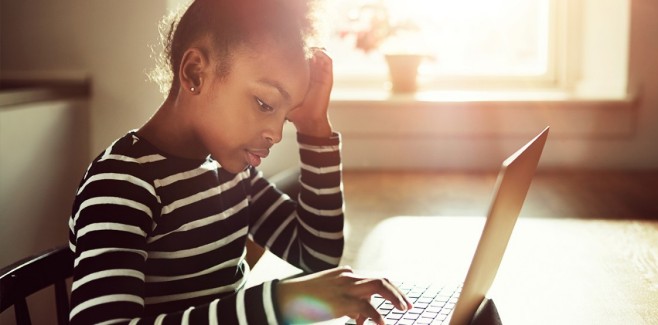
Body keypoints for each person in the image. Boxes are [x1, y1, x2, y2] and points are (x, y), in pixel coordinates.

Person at [67, 0, 411, 324]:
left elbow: (316, 254)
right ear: (195, 73)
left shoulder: (230, 174)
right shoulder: (122, 184)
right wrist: (280, 302)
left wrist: (314, 128)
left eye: (287, 114)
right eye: (265, 103)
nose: (276, 134)